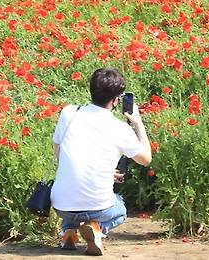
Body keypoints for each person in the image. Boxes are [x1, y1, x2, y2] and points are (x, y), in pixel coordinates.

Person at [50, 68, 152, 256]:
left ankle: (68, 232)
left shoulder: (68, 113)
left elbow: (58, 153)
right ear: (117, 100)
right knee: (120, 209)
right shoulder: (120, 128)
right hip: (98, 206)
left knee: (73, 203)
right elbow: (146, 159)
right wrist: (138, 123)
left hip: (61, 205)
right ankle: (97, 230)